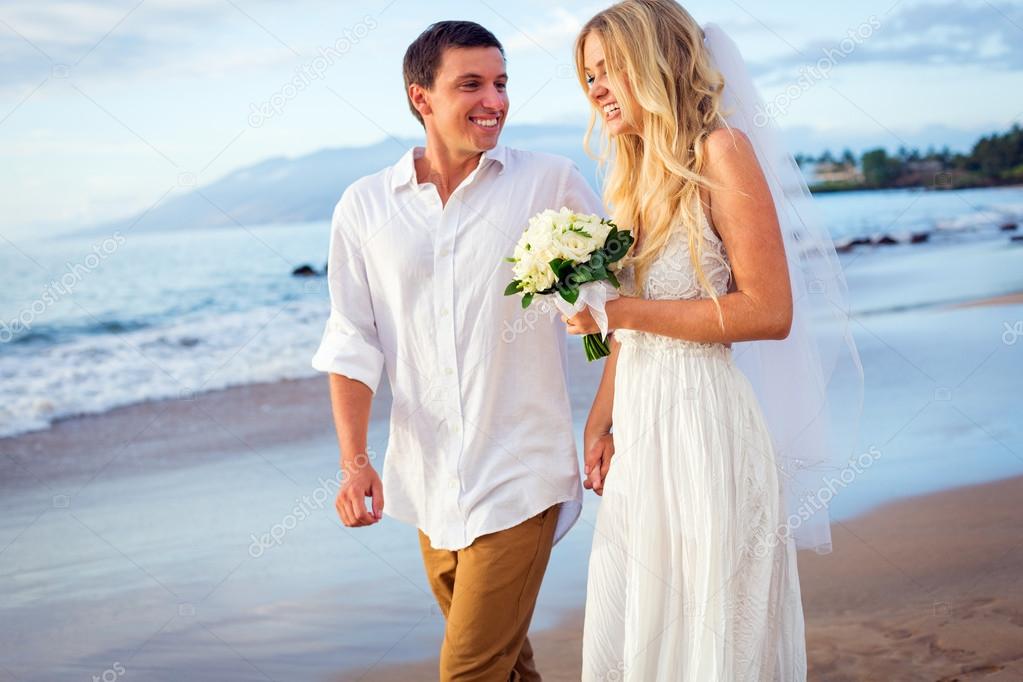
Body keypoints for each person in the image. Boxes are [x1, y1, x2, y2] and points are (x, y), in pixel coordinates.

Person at [565, 1, 861, 679]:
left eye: (611, 69)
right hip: (640, 432)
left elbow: (766, 310)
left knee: (708, 627)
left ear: (657, 62)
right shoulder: (630, 178)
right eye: (588, 77)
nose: (598, 89)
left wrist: (622, 312)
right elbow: (627, 324)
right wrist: (600, 418)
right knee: (638, 614)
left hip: (703, 428)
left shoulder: (720, 151)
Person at [310, 20, 604, 682]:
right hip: (427, 477)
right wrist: (354, 462)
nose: (493, 101)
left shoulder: (549, 183)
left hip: (522, 469)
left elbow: (614, 306)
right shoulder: (363, 207)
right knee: (506, 666)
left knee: (468, 670)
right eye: (470, 84)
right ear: (422, 98)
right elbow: (352, 339)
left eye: (500, 84)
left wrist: (604, 414)